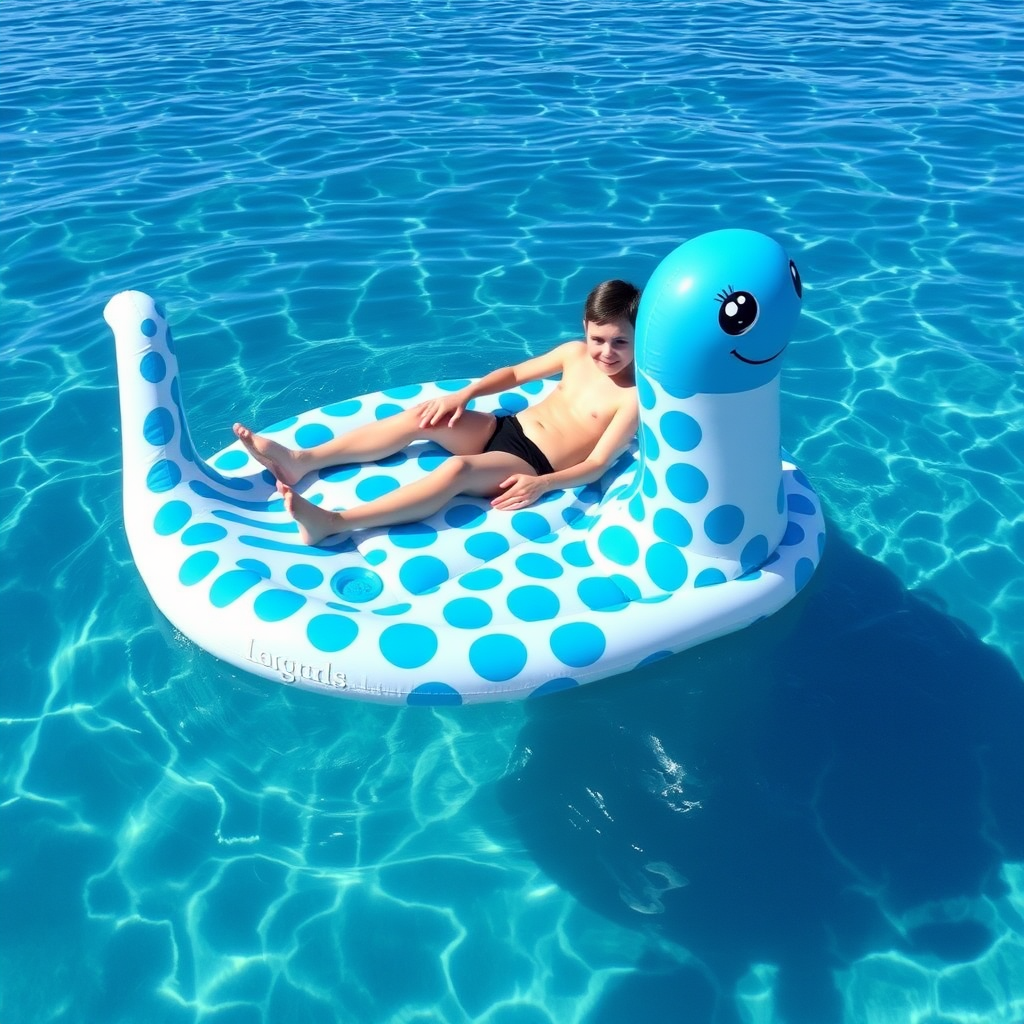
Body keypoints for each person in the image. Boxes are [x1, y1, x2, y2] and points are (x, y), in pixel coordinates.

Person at [233, 279, 641, 546]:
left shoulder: (633, 397)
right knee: (424, 416)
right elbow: (516, 373)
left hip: (530, 462)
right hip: (506, 428)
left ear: (639, 335)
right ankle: (300, 461)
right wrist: (464, 395)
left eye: (620, 342)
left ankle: (335, 522)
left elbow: (598, 462)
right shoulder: (573, 354)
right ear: (585, 327)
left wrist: (544, 484)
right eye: (598, 338)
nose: (606, 351)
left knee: (456, 470)